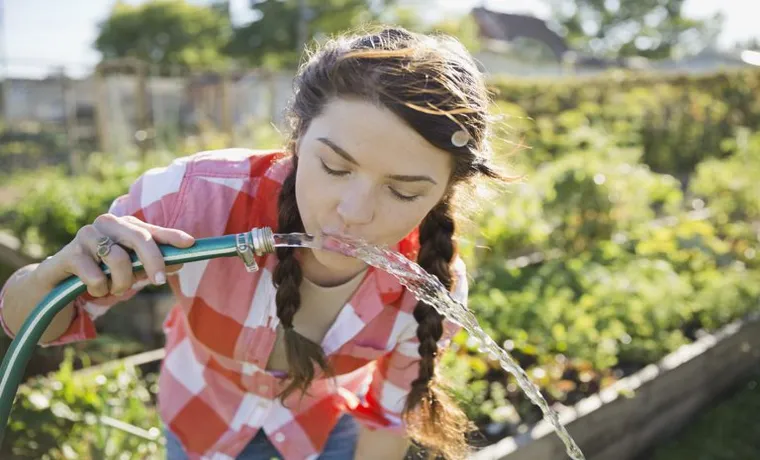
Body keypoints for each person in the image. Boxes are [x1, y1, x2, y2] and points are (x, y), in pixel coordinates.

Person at [0, 27, 504, 460]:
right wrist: (55, 276)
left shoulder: (430, 283)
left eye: (403, 191)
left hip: (323, 433)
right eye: (333, 167)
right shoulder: (194, 200)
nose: (354, 213)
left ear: (444, 193)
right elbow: (33, 328)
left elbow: (386, 421)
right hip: (201, 417)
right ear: (298, 136)